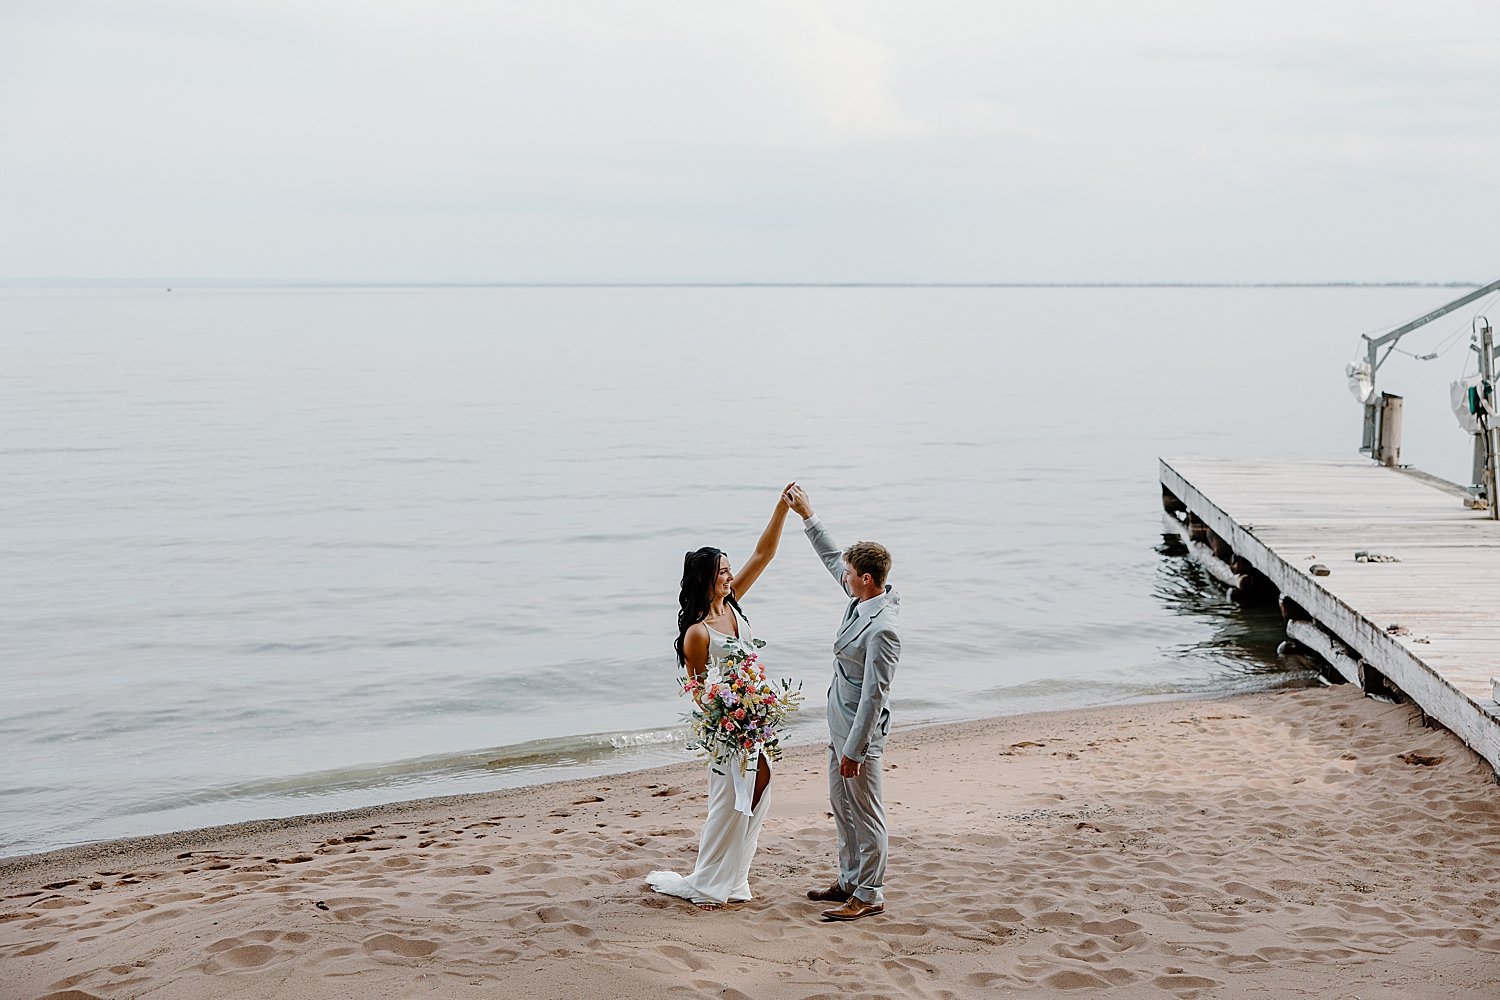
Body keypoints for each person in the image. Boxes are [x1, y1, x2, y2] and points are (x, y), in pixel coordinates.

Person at [646, 488, 793, 910]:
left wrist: (781, 508)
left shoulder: (733, 604)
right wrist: (727, 716)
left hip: (751, 718)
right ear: (705, 578)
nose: (730, 576)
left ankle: (733, 878)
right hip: (727, 725)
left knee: (760, 787)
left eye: (731, 570)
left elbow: (764, 555)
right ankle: (710, 882)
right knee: (729, 800)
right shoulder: (698, 631)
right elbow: (695, 687)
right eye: (723, 572)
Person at [783, 483, 900, 921]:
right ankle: (850, 880)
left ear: (866, 579)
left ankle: (870, 894)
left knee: (867, 815)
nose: (843, 577)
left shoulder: (883, 628)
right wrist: (807, 515)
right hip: (837, 726)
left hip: (859, 736)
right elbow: (834, 558)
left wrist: (854, 749)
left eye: (849, 573)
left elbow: (875, 695)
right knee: (842, 807)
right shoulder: (860, 599)